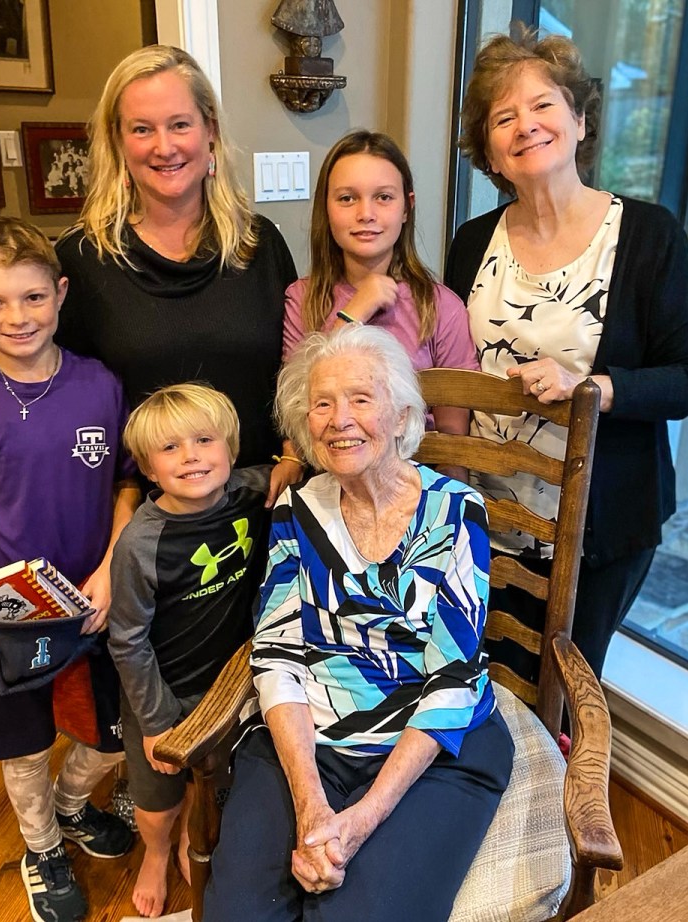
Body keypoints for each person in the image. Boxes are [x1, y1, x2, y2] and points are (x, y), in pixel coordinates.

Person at [203, 325, 514, 922]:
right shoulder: (296, 510)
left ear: (402, 417)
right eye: (322, 403)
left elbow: (453, 677)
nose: (339, 419)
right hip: (310, 741)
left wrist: (364, 817)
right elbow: (277, 654)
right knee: (239, 914)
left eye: (361, 399)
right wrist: (311, 803)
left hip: (432, 749)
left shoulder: (457, 511)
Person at [0, 45, 301, 505]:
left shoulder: (259, 243)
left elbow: (293, 369)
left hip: (266, 499)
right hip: (143, 513)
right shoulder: (83, 257)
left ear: (209, 129)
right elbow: (38, 364)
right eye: (142, 129)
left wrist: (292, 455)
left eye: (180, 124)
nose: (164, 146)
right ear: (118, 140)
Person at [444, 24, 688, 682]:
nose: (526, 125)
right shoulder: (471, 242)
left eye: (543, 104)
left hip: (598, 525)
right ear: (490, 154)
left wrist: (589, 386)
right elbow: (451, 365)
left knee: (562, 692)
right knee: (486, 682)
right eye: (503, 118)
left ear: (579, 120)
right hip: (487, 519)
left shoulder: (648, 235)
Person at [0, 217, 140, 922]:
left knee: (110, 729)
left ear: (61, 293)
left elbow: (126, 485)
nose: (18, 317)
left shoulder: (100, 385)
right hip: (1, 600)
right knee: (24, 742)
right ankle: (41, 847)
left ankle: (71, 806)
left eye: (34, 297)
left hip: (89, 593)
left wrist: (111, 567)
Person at [107, 383, 272, 918]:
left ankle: (188, 837)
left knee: (214, 781)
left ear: (231, 448)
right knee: (158, 799)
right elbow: (127, 639)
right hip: (160, 690)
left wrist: (290, 465)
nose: (191, 456)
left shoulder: (253, 493)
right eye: (170, 448)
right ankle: (157, 850)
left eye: (204, 440)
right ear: (148, 470)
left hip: (229, 684)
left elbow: (288, 472)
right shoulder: (140, 544)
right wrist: (156, 721)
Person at [283, 129, 480, 480]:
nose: (366, 213)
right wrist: (354, 312)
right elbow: (299, 407)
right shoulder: (302, 299)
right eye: (347, 198)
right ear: (326, 208)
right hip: (327, 478)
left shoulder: (440, 307)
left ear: (407, 207)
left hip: (416, 482)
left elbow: (454, 444)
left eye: (384, 197)